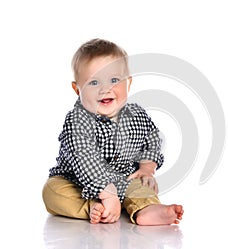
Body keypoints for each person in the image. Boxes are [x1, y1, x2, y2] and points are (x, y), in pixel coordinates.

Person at [42, 38, 184, 225]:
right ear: (77, 89)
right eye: (94, 82)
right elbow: (86, 160)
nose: (105, 88)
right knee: (52, 191)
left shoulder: (137, 114)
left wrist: (146, 169)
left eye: (114, 80)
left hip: (125, 179)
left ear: (129, 83)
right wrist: (107, 195)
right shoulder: (77, 121)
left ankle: (147, 209)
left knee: (141, 186)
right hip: (78, 182)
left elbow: (152, 139)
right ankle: (93, 206)